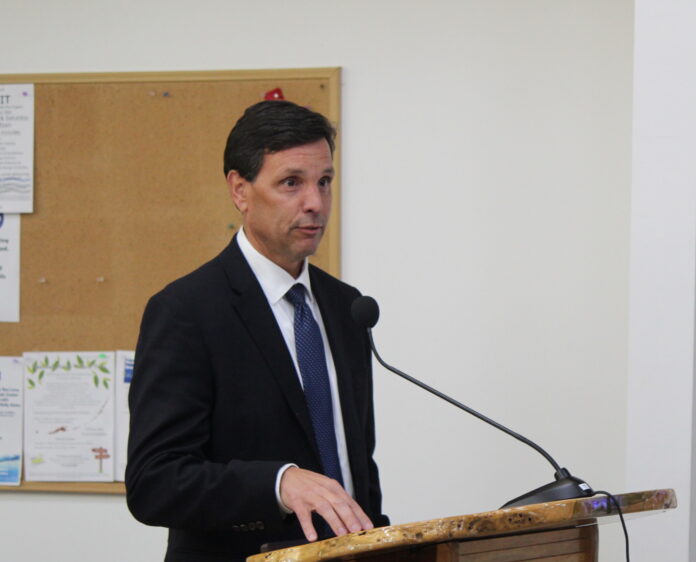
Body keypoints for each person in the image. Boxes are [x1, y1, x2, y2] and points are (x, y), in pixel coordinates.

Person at [126, 100, 388, 562]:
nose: (315, 203)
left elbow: (355, 466)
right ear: (240, 190)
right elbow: (155, 481)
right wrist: (278, 482)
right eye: (292, 183)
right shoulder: (186, 311)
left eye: (324, 182)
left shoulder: (347, 306)